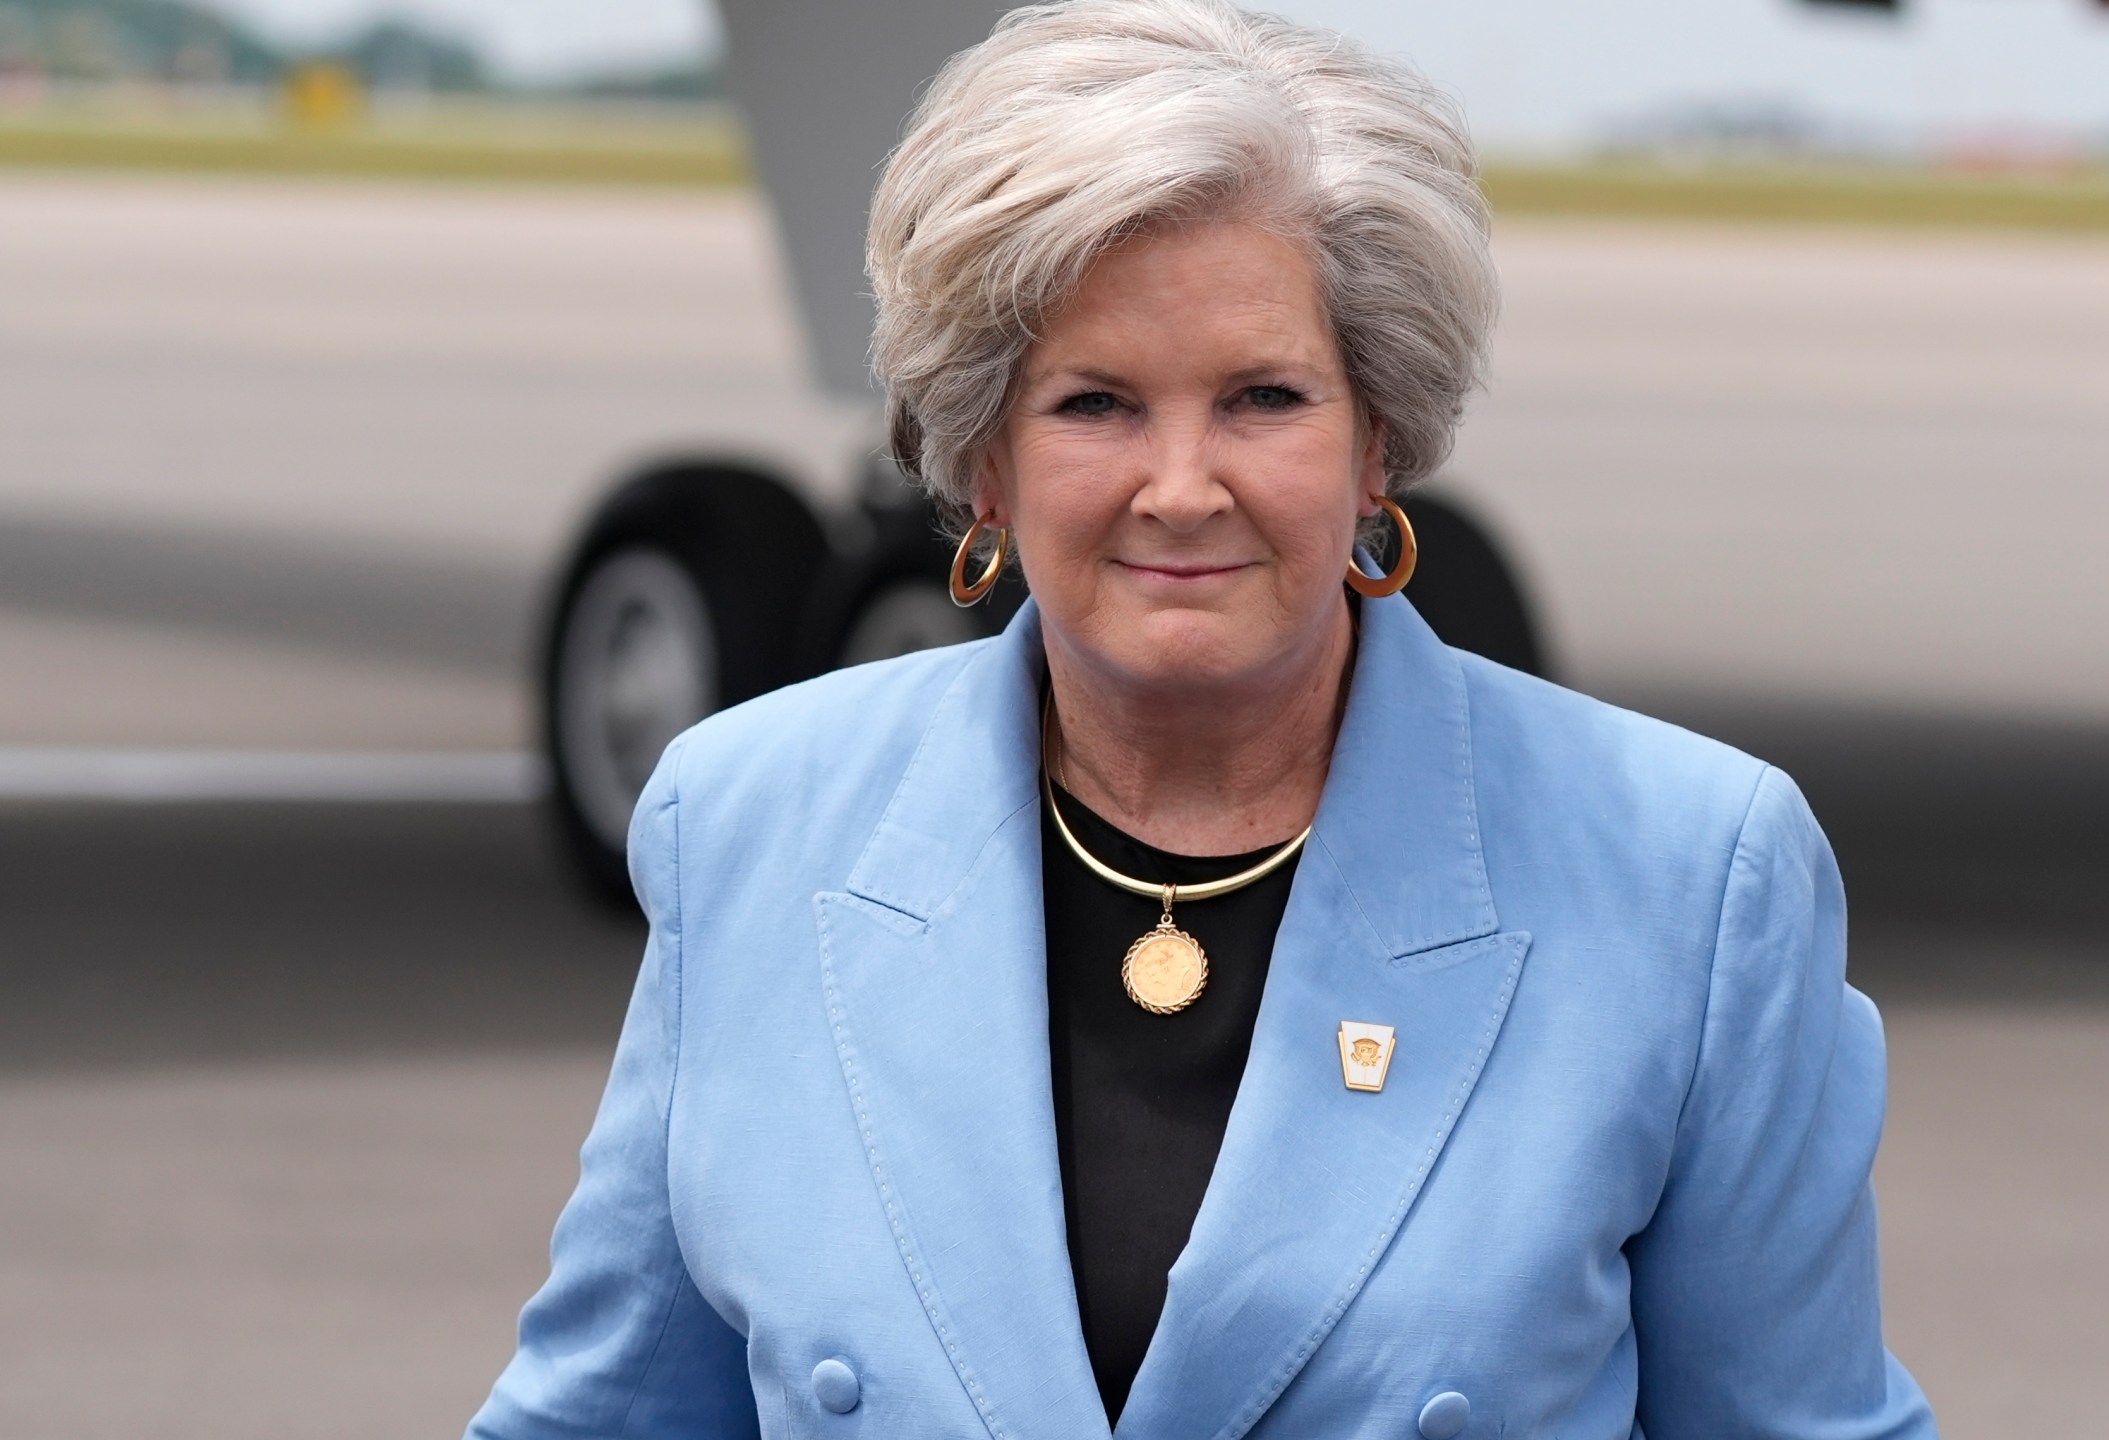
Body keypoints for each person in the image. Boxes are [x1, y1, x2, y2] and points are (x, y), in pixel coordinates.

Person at [466, 2, 1934, 1436]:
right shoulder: (748, 825)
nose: (1181, 486)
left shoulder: (1695, 879)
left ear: (1381, 442)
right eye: (1095, 404)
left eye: (1264, 398)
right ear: (982, 461)